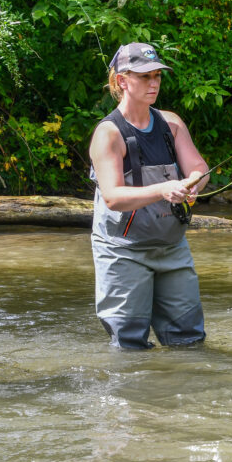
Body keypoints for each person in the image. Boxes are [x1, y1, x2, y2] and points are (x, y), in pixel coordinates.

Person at [88, 43, 210, 349]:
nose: (154, 83)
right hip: (122, 250)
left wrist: (195, 182)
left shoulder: (171, 123)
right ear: (122, 81)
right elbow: (114, 196)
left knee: (190, 341)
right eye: (145, 76)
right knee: (129, 346)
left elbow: (199, 167)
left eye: (157, 76)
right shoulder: (108, 134)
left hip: (172, 247)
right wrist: (163, 189)